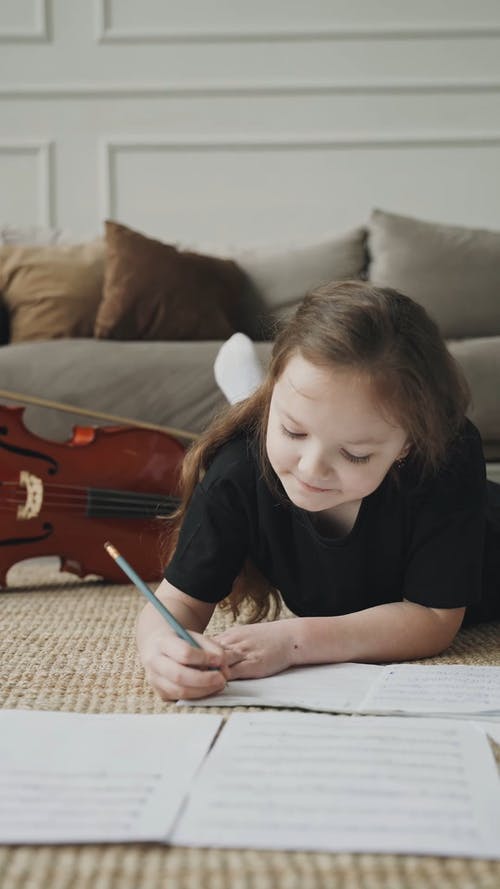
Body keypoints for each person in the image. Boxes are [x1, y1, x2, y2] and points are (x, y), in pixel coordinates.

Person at [137, 281, 500, 701]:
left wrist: (294, 641)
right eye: (294, 429)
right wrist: (160, 649)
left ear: (407, 446)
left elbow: (434, 619)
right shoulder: (236, 470)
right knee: (263, 452)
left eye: (355, 453)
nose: (311, 469)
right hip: (259, 448)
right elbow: (175, 605)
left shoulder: (447, 454)